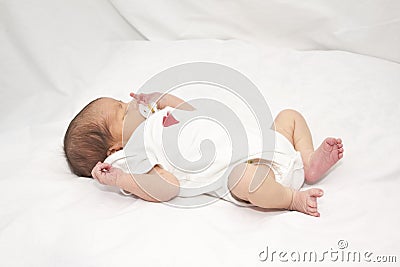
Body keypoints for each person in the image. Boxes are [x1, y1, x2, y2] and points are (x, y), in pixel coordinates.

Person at [64, 92, 343, 217]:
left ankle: (307, 161)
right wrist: (122, 179)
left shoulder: (158, 117)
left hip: (266, 143)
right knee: (242, 179)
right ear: (115, 148)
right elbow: (166, 187)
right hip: (254, 171)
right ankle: (291, 198)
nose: (130, 104)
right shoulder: (139, 150)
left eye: (123, 102)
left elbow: (189, 112)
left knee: (289, 116)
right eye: (123, 111)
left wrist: (162, 99)